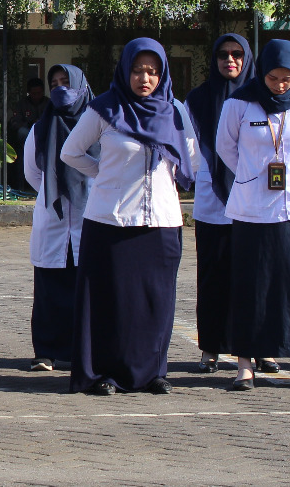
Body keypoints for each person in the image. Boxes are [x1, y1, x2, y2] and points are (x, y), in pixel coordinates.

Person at [61, 38, 197, 396]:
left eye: (152, 72)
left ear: (162, 75)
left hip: (162, 222)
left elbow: (192, 158)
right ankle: (104, 373)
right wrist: (105, 174)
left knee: (156, 302)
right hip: (111, 221)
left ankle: (153, 373)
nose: (144, 78)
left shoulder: (175, 112)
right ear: (125, 71)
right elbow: (71, 152)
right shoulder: (105, 109)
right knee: (112, 302)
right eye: (137, 70)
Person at [216, 39, 290, 392]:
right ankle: (245, 366)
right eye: (272, 78)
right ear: (261, 72)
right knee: (252, 287)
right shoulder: (239, 102)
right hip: (253, 209)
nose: (280, 85)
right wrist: (252, 175)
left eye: (287, 79)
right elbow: (226, 148)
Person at [184, 34, 254, 374]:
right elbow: (190, 149)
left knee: (253, 279)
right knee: (213, 279)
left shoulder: (259, 96)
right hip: (212, 201)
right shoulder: (198, 99)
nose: (230, 60)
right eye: (223, 54)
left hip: (254, 202)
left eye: (237, 54)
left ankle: (258, 348)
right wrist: (211, 173)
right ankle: (210, 348)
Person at [22, 64, 93, 373]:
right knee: (50, 289)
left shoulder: (98, 124)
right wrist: (56, 190)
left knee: (87, 289)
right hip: (54, 216)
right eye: (55, 84)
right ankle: (46, 352)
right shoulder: (41, 128)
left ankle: (85, 351)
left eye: (67, 82)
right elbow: (32, 173)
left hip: (89, 216)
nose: (61, 89)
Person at [13, 77, 50, 192]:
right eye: (34, 94)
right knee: (22, 132)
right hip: (27, 136)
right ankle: (21, 187)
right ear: (29, 93)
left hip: (45, 136)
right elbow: (15, 123)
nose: (37, 96)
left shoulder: (49, 103)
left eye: (39, 93)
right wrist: (30, 123)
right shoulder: (22, 104)